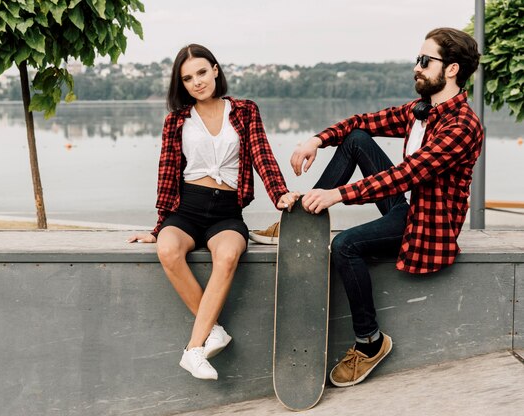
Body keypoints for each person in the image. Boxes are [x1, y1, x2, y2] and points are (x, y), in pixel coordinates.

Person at [252, 27, 483, 386]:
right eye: (416, 59)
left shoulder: (462, 125)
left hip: (427, 225)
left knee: (345, 245)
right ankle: (296, 222)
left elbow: (407, 174)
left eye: (425, 61)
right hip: (408, 207)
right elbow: (362, 123)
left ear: (451, 69)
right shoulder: (423, 111)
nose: (416, 67)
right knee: (357, 139)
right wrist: (317, 139)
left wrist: (338, 195)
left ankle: (370, 342)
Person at [128, 44, 299, 380]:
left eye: (202, 73)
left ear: (216, 70)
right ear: (182, 84)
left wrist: (279, 194)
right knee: (168, 249)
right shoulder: (176, 120)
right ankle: (213, 332)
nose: (197, 82)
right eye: (188, 78)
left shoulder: (245, 110)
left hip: (226, 212)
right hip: (186, 208)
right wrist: (158, 225)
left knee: (228, 254)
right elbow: (167, 174)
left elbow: (262, 155)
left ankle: (193, 348)